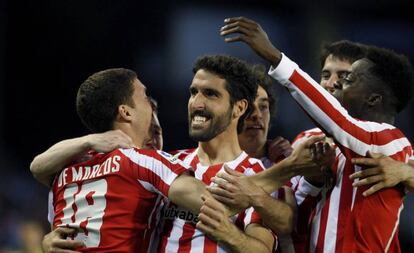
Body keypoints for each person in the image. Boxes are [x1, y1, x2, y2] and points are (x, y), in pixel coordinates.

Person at [218, 16, 414, 253]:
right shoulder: (307, 140)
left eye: (346, 78)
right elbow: (295, 215)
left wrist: (275, 57)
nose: (335, 84)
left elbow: (339, 121)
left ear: (373, 98)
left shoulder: (389, 141)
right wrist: (310, 179)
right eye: (325, 75)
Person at [32, 68, 211, 253]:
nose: (150, 104)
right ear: (126, 112)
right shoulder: (142, 161)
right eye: (145, 96)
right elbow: (212, 206)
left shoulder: (64, 173)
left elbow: (37, 168)